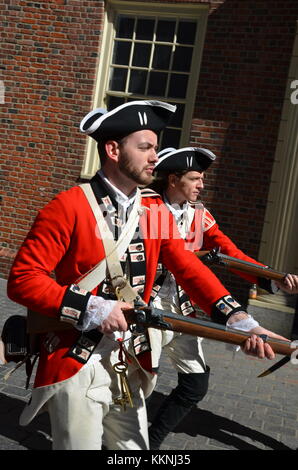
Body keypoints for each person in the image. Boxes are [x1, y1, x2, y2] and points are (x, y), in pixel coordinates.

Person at [7, 103, 285, 451]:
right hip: (78, 361)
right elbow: (23, 279)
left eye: (155, 147)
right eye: (145, 147)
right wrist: (93, 308)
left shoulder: (151, 210)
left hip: (131, 360)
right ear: (113, 150)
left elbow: (189, 268)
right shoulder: (68, 206)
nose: (155, 156)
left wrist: (243, 323)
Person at [147, 146, 298, 450]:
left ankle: (148, 444)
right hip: (148, 304)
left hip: (185, 307)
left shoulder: (199, 214)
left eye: (201, 178)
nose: (201, 185)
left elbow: (229, 252)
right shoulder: (150, 208)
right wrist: (241, 320)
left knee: (194, 385)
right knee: (138, 383)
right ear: (173, 179)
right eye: (194, 178)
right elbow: (178, 260)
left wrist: (276, 278)